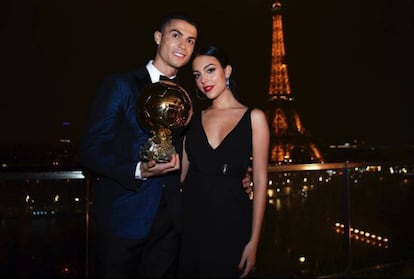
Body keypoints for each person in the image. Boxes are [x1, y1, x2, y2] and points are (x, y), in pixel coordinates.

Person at [79, 15, 252, 278]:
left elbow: (198, 154)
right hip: (123, 223)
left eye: (191, 40)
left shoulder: (191, 97)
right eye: (176, 35)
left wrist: (235, 175)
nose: (183, 44)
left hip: (170, 228)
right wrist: (138, 170)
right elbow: (90, 149)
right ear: (158, 37)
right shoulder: (121, 85)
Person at [178, 45, 270, 278]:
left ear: (227, 71)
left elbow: (260, 180)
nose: (203, 80)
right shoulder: (191, 119)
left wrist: (254, 243)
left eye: (210, 70)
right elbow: (179, 175)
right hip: (191, 222)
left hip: (233, 221)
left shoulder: (255, 118)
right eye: (197, 75)